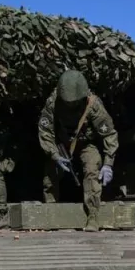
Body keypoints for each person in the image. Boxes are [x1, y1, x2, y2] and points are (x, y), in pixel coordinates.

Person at [37, 70, 118, 231]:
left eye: (74, 102)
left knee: (92, 167)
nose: (70, 105)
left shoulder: (93, 105)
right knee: (50, 170)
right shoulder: (53, 102)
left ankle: (93, 216)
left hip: (86, 144)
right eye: (67, 102)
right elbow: (45, 131)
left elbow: (109, 134)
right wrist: (54, 154)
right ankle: (50, 211)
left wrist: (108, 163)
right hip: (60, 145)